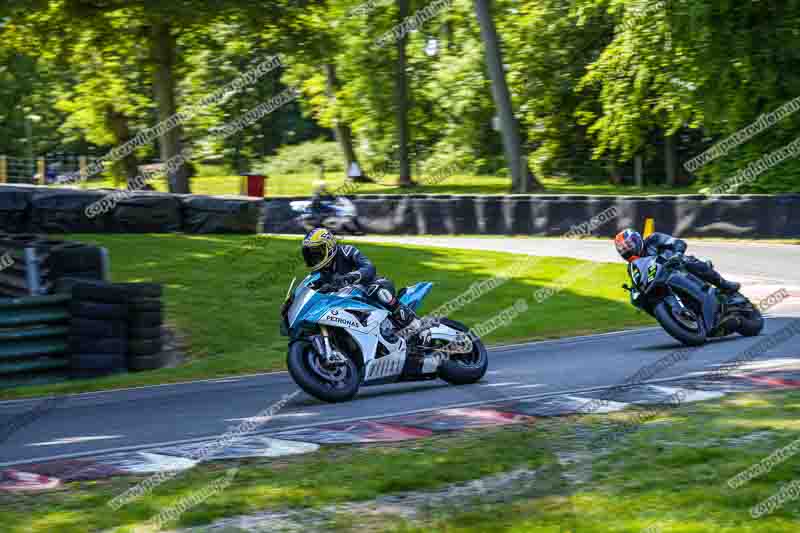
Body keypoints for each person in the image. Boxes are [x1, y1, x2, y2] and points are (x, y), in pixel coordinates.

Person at [301, 228, 423, 333]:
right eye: (310, 255)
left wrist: (351, 277)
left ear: (330, 247)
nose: (314, 258)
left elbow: (369, 267)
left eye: (317, 253)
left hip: (372, 285)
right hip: (348, 299)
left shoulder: (346, 251)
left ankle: (414, 323)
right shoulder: (319, 273)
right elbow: (310, 288)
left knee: (377, 291)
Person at [614, 229, 741, 293]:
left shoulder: (653, 239)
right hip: (663, 282)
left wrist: (678, 253)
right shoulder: (633, 266)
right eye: (623, 249)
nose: (627, 250)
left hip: (679, 267)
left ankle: (724, 284)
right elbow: (639, 283)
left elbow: (677, 242)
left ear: (636, 239)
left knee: (688, 261)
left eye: (629, 245)